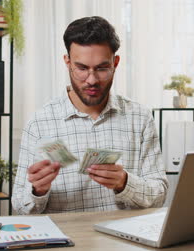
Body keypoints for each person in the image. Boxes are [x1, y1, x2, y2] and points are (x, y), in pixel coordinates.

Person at [12, 16, 167, 214]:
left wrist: (124, 183)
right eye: (82, 68)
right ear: (67, 62)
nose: (91, 80)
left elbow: (159, 196)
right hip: (66, 239)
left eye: (102, 68)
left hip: (124, 242)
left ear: (115, 62)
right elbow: (20, 206)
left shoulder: (140, 118)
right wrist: (38, 190)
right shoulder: (39, 124)